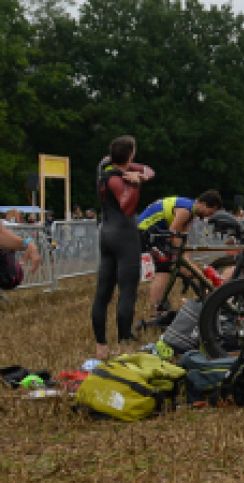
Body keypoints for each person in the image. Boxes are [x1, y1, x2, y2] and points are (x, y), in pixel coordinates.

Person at [91, 135, 155, 359]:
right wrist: (136, 184)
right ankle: (124, 338)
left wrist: (141, 174)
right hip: (124, 235)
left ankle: (101, 343)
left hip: (106, 234)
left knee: (103, 292)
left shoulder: (103, 170)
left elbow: (149, 170)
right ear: (131, 154)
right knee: (127, 290)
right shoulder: (119, 180)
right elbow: (127, 207)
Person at [137, 191, 223, 318]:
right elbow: (174, 233)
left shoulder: (191, 211)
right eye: (209, 213)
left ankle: (159, 304)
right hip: (145, 232)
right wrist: (183, 259)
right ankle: (155, 311)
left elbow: (183, 240)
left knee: (170, 266)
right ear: (203, 204)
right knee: (163, 269)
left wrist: (187, 261)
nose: (207, 217)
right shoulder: (185, 211)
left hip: (155, 232)